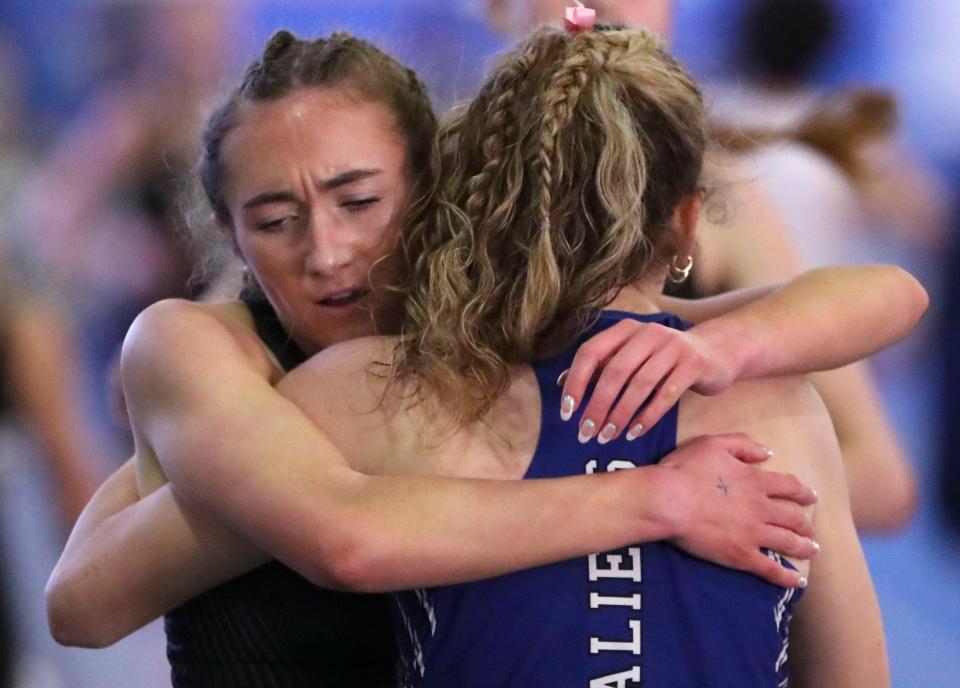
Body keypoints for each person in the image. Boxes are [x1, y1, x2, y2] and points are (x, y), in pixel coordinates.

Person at [46, 29, 921, 684]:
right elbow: (88, 600)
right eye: (274, 223)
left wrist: (730, 346)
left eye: (360, 201)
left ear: (440, 192)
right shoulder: (223, 360)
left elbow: (883, 294)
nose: (327, 253)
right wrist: (654, 497)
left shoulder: (473, 352)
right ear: (227, 232)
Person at [488, 0, 922, 531]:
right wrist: (643, 501)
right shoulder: (447, 179)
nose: (605, 4)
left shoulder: (727, 198)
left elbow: (881, 482)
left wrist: (709, 493)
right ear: (501, 7)